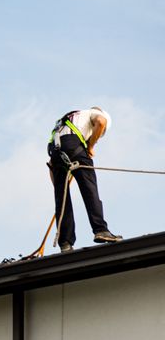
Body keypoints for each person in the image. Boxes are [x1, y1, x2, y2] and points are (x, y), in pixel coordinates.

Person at [47, 107, 122, 252]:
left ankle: (65, 243)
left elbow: (51, 165)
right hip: (74, 146)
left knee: (62, 200)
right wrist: (90, 147)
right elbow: (100, 122)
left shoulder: (65, 121)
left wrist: (59, 186)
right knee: (89, 190)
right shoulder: (93, 113)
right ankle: (100, 230)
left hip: (55, 152)